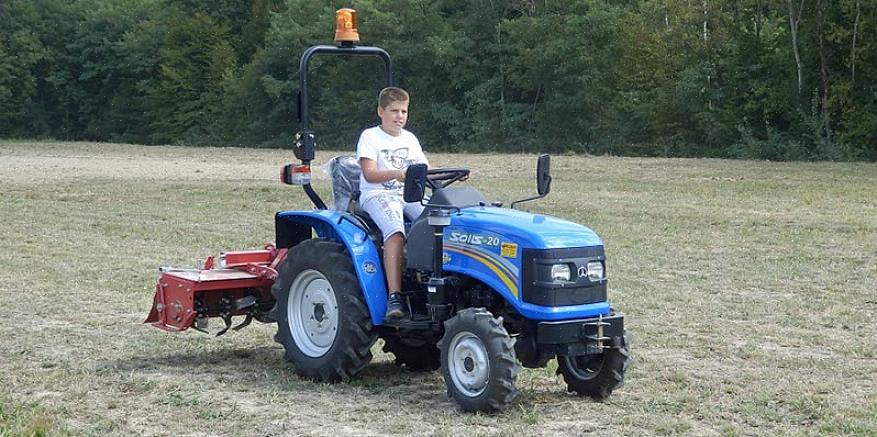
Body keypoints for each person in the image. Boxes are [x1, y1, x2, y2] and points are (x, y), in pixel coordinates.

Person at [356, 87, 428, 320]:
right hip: (377, 194)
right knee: (395, 232)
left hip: (407, 194)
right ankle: (394, 296)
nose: (400, 116)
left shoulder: (410, 138)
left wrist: (450, 173)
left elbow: (423, 169)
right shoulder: (370, 136)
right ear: (381, 111)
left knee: (439, 222)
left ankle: (430, 281)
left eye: (404, 111)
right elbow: (369, 174)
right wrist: (397, 174)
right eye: (394, 111)